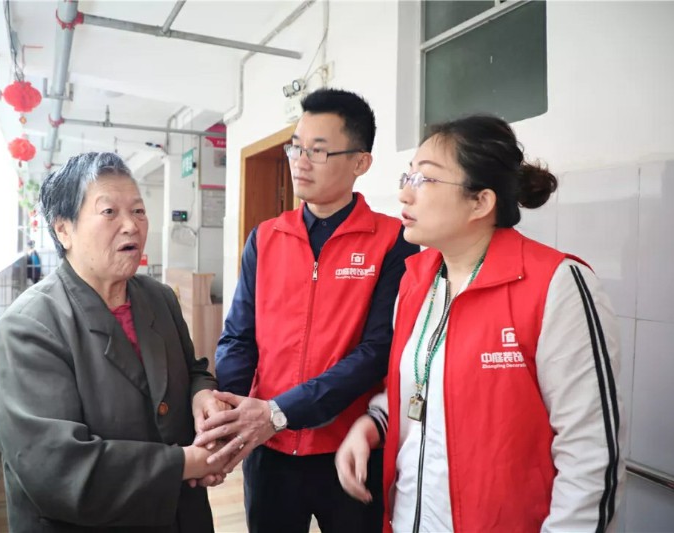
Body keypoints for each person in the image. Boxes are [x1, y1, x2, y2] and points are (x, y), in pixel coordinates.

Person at [335, 115, 626, 532]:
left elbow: (591, 457)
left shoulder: (555, 285)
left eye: (424, 179)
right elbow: (420, 382)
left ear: (480, 202)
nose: (404, 192)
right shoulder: (416, 282)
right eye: (407, 176)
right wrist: (373, 424)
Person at [193, 88, 420, 533]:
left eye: (318, 150)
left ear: (360, 162)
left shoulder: (393, 241)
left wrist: (281, 410)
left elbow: (377, 351)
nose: (300, 161)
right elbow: (239, 336)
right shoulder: (266, 237)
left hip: (349, 449)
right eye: (296, 147)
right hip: (269, 449)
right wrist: (232, 414)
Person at [0, 152, 231, 533]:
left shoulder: (159, 298)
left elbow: (194, 370)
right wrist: (186, 464)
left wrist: (203, 396)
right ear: (63, 230)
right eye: (109, 212)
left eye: (138, 211)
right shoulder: (29, 326)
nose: (131, 225)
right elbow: (57, 469)